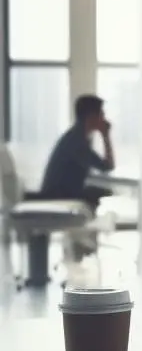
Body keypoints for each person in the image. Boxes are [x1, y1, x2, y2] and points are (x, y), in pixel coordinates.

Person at [39, 95, 115, 259]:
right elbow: (107, 166)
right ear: (92, 117)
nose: (104, 118)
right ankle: (81, 242)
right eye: (101, 114)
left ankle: (82, 241)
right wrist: (106, 135)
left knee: (99, 192)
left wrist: (104, 135)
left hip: (61, 192)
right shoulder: (76, 142)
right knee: (98, 193)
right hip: (57, 195)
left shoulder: (77, 137)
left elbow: (106, 166)